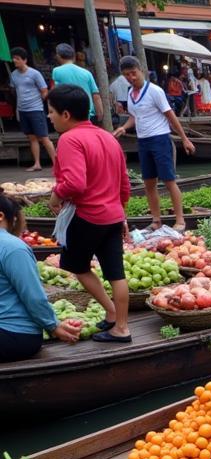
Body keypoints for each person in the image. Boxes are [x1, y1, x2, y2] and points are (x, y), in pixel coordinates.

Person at [46, 84, 131, 344]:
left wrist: (55, 195)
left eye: (51, 112)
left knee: (75, 266)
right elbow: (124, 185)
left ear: (66, 115)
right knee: (116, 273)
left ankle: (112, 313)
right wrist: (122, 213)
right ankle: (120, 325)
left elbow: (74, 183)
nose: (49, 117)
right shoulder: (107, 137)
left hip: (88, 215)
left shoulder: (70, 139)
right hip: (113, 215)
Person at [113, 56, 195, 232]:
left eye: (133, 73)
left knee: (169, 180)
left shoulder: (155, 91)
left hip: (160, 139)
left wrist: (184, 138)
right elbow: (134, 117)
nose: (131, 78)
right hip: (143, 141)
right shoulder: (130, 93)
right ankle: (156, 220)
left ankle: (180, 220)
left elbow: (170, 115)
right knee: (148, 183)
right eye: (127, 75)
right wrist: (123, 128)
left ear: (140, 70)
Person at [0, 190, 81, 358]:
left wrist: (53, 326)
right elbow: (33, 296)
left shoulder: (12, 248)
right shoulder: (14, 248)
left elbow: (33, 297)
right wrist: (54, 326)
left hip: (15, 334)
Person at [10, 48, 56, 172]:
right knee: (32, 138)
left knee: (44, 137)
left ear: (24, 60)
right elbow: (14, 91)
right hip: (22, 110)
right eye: (13, 58)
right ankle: (37, 163)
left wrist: (43, 105)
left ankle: (57, 164)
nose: (14, 60)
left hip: (36, 109)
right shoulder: (13, 75)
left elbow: (44, 91)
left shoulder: (34, 73)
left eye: (17, 58)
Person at [52, 43, 103, 124]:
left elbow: (54, 94)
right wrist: (100, 112)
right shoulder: (86, 73)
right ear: (73, 57)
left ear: (58, 56)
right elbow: (96, 95)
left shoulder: (56, 71)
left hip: (69, 115)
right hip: (88, 114)